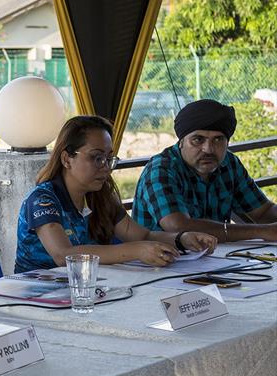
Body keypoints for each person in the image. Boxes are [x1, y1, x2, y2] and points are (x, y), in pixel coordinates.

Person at [15, 115, 217, 273]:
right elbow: (63, 255)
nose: (105, 168)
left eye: (109, 158)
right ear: (67, 159)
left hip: (88, 288)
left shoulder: (99, 196)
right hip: (38, 295)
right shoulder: (43, 200)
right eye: (96, 158)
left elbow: (143, 234)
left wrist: (182, 239)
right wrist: (137, 250)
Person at [132, 99, 277, 241]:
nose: (208, 149)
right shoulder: (160, 170)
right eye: (198, 139)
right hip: (160, 260)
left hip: (215, 257)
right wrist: (261, 231)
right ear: (181, 142)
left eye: (218, 139)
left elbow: (263, 211)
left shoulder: (229, 163)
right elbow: (177, 226)